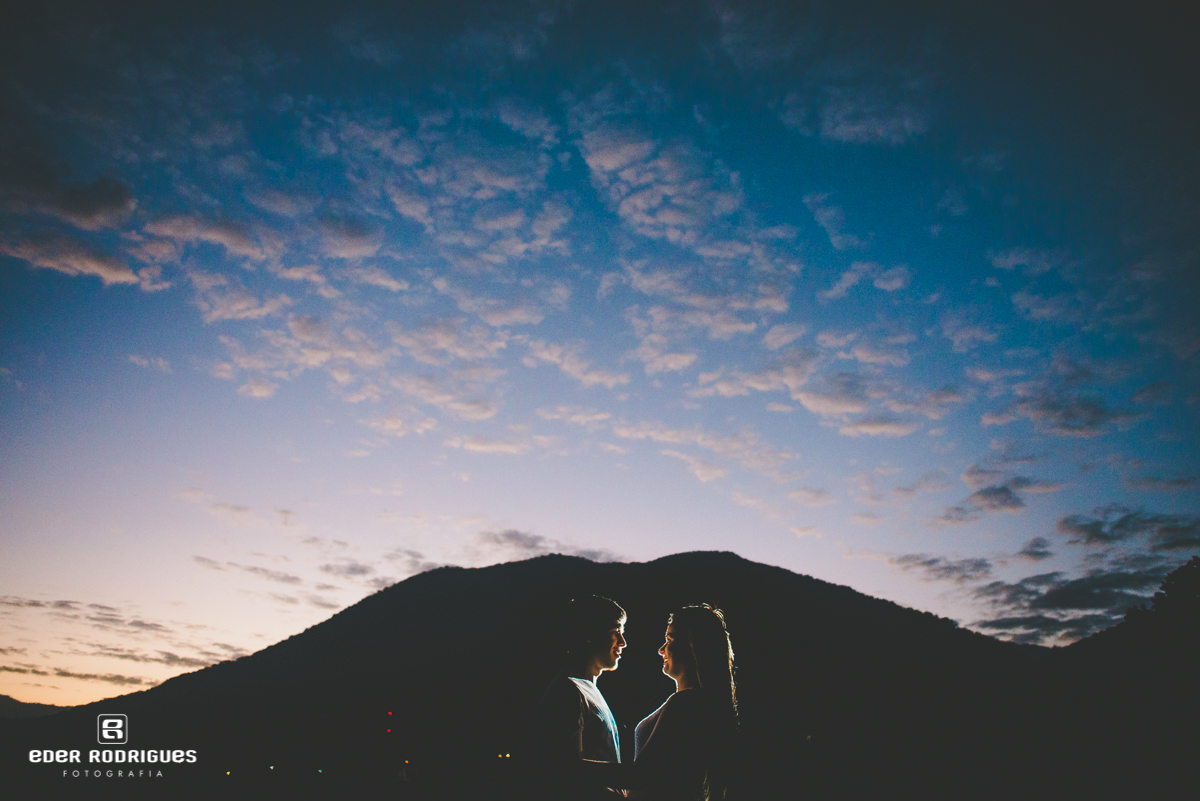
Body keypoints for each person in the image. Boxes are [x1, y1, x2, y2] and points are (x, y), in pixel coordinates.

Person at [587, 604, 738, 801]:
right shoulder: (698, 704)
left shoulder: (686, 704)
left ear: (692, 646)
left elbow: (640, 775)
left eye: (669, 640)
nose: (661, 650)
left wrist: (570, 769)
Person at [536, 595, 628, 800]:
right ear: (589, 634)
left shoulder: (588, 690)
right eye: (615, 632)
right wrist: (639, 776)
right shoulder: (568, 691)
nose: (623, 642)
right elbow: (565, 770)